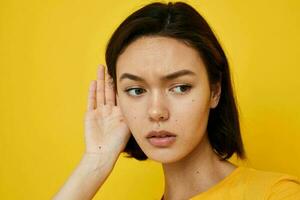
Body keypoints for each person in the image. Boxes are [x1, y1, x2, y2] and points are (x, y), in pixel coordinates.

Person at [53, 1, 300, 200]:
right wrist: (95, 161)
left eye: (180, 87)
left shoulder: (276, 194)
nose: (157, 111)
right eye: (137, 90)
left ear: (215, 91)